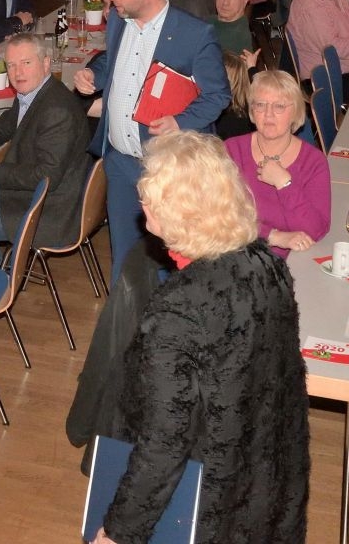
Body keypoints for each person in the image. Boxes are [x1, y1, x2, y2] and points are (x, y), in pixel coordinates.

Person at [89, 130, 308, 544]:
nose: (142, 202)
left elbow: (165, 440)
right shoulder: (268, 265)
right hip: (267, 480)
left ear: (178, 211)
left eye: (150, 195)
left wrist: (120, 530)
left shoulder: (177, 310)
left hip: (210, 500)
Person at [73, 0, 232, 280]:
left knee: (171, 261)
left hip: (167, 168)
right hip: (120, 163)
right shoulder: (120, 22)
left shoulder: (194, 33)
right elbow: (111, 59)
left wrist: (180, 121)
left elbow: (218, 95)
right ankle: (125, 311)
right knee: (124, 261)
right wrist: (94, 74)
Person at [0, 32, 92, 266]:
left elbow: (46, 177)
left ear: (46, 63)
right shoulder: (35, 91)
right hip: (36, 193)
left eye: (26, 63)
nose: (18, 73)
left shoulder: (57, 110)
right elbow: (7, 123)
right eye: (11, 65)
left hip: (50, 209)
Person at [223, 69, 330, 257]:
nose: (268, 114)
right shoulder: (231, 151)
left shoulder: (313, 161)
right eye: (260, 105)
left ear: (295, 112)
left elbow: (315, 231)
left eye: (279, 106)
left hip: (293, 261)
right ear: (252, 111)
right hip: (237, 255)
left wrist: (284, 183)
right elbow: (219, 216)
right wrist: (273, 236)